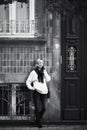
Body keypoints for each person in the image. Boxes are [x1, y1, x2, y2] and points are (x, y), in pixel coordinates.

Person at [26, 59, 51, 128]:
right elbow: (28, 81)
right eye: (39, 63)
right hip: (36, 91)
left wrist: (44, 72)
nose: (41, 64)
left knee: (44, 108)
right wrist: (31, 88)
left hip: (44, 91)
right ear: (36, 64)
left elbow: (48, 79)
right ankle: (39, 123)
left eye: (42, 63)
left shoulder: (44, 71)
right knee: (37, 108)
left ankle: (37, 118)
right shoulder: (33, 72)